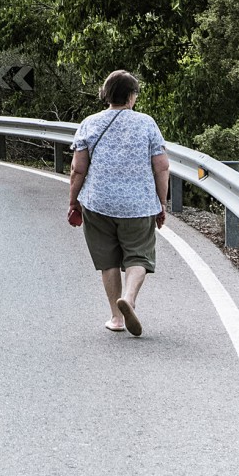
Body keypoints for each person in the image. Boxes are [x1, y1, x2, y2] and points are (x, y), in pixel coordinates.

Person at [67, 69, 170, 337]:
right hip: (138, 204)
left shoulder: (90, 123)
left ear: (106, 94)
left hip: (98, 202)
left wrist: (73, 202)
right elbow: (161, 167)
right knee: (139, 254)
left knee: (108, 260)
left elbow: (78, 169)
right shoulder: (146, 123)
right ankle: (130, 299)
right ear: (131, 96)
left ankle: (116, 317)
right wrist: (162, 203)